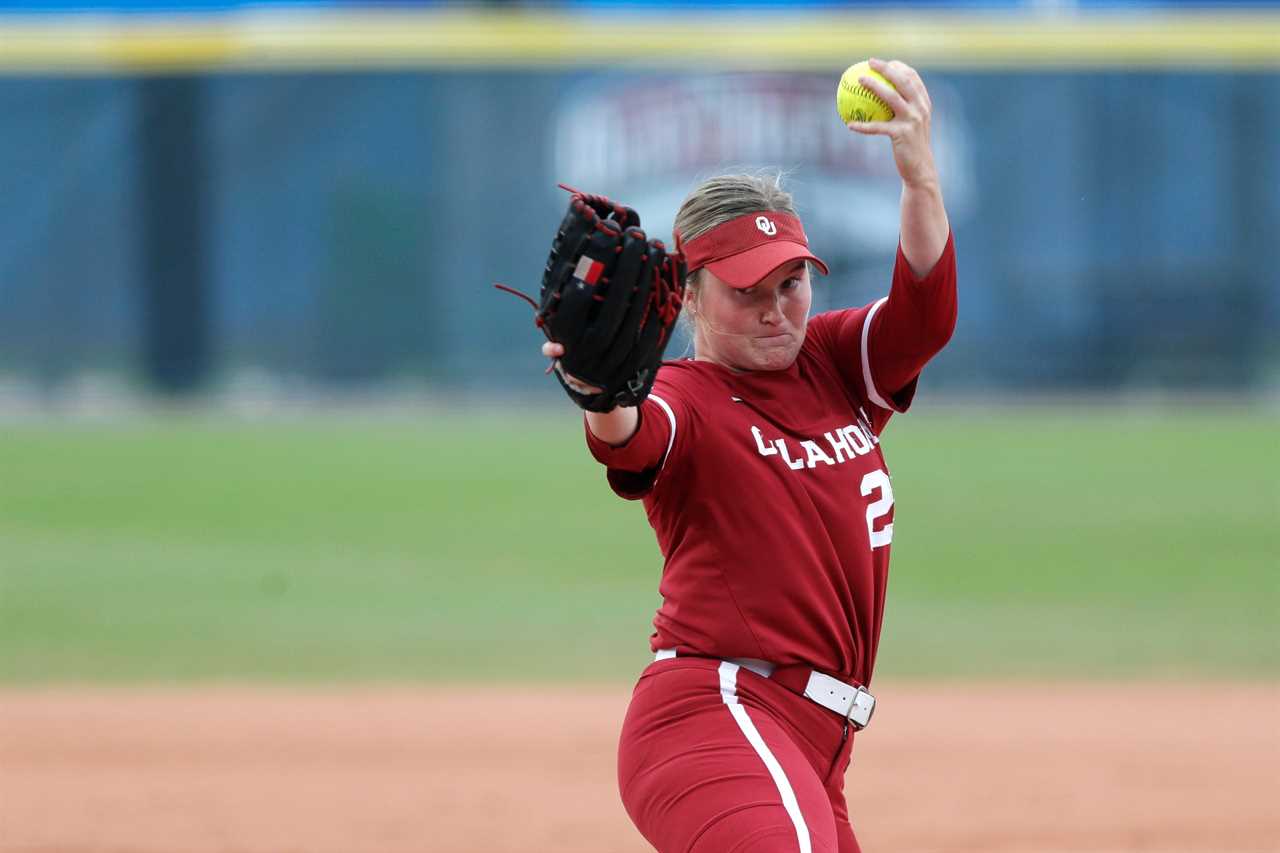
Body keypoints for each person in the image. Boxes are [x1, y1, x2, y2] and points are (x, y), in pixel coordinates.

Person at [540, 58, 957, 853]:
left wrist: (919, 176)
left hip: (813, 741)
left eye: (791, 282)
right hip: (713, 712)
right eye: (745, 290)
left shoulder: (831, 364)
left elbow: (925, 317)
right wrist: (599, 393)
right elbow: (630, 439)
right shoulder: (684, 396)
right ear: (688, 295)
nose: (775, 309)